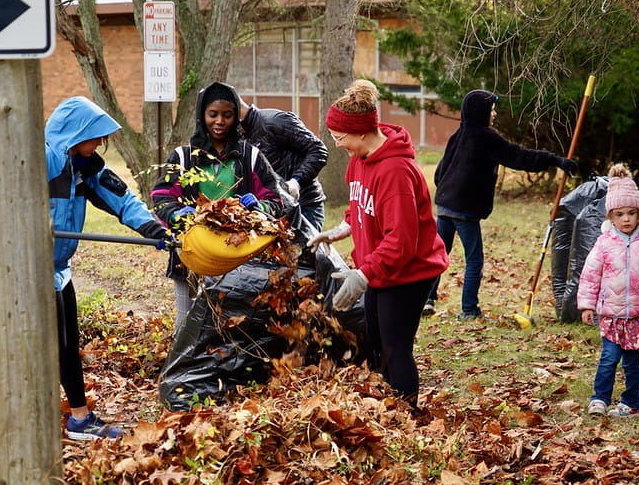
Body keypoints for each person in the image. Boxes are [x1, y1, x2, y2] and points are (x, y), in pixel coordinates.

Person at [307, 79, 449, 406]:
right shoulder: (360, 159)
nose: (338, 145)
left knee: (396, 347)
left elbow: (401, 241)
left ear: (360, 133)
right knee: (374, 340)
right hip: (382, 268)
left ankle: (405, 413)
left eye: (339, 137)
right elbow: (360, 204)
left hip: (411, 272)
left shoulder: (396, 171)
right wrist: (341, 229)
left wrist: (362, 275)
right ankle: (385, 402)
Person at [46, 96, 170, 440]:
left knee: (68, 344)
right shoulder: (40, 160)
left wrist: (153, 229)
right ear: (74, 134)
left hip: (59, 269)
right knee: (44, 344)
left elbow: (121, 198)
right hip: (25, 270)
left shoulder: (86, 166)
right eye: (95, 136)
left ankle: (79, 418)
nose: (100, 143)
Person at [424, 90, 578, 319]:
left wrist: (447, 192)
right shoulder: (487, 138)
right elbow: (521, 156)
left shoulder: (459, 134)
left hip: (445, 205)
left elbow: (440, 172)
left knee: (438, 256)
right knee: (474, 260)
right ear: (481, 112)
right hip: (464, 209)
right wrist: (555, 160)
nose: (494, 114)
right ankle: (468, 310)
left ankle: (425, 299)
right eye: (492, 109)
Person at [151, 82, 290, 333]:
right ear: (201, 115)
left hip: (237, 258)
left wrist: (260, 206)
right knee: (186, 324)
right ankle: (184, 370)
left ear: (237, 116)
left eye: (228, 115)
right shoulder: (183, 157)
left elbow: (276, 200)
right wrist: (174, 214)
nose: (220, 121)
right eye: (212, 114)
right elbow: (161, 196)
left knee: (230, 324)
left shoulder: (250, 156)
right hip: (192, 255)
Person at [577, 164, 639, 418]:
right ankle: (599, 399)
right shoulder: (604, 243)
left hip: (638, 316)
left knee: (632, 363)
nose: (626, 219)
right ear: (610, 216)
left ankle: (631, 403)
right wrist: (587, 305)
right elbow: (590, 274)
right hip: (611, 314)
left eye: (631, 213)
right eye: (619, 214)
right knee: (608, 359)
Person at [238, 94, 328, 232]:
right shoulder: (237, 138)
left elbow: (318, 150)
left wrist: (296, 181)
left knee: (305, 252)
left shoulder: (275, 121)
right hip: (270, 210)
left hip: (304, 206)